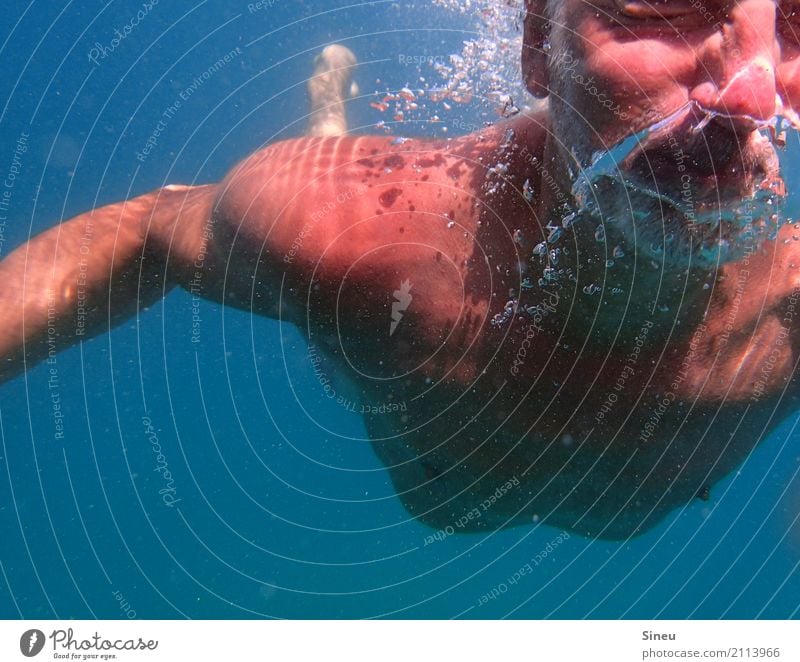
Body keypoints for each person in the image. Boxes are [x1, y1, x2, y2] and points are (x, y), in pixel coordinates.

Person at [1, 0, 798, 539]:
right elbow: (148, 227)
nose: (750, 95)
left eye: (795, 22)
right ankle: (328, 119)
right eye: (661, 4)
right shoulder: (355, 236)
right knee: (341, 338)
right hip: (398, 397)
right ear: (535, 47)